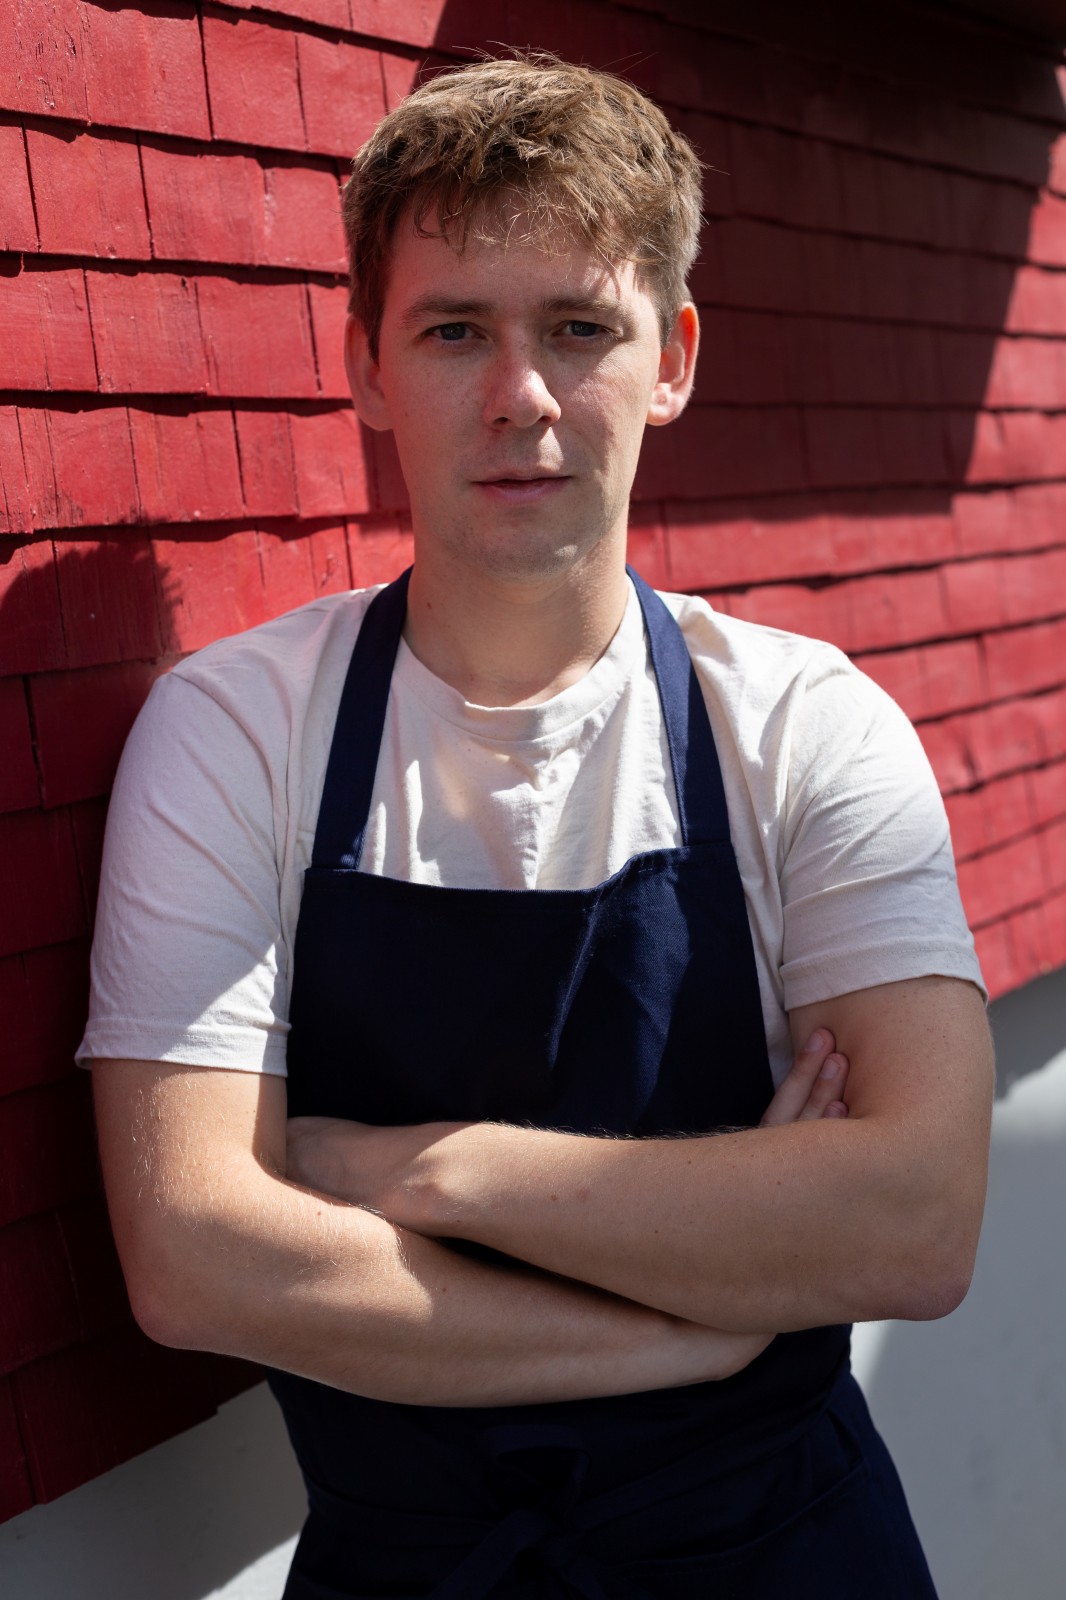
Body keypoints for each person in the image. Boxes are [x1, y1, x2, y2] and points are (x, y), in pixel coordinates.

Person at [84, 52, 993, 1599]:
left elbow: (914, 1217)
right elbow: (196, 1257)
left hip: (784, 1558)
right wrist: (695, 1329)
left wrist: (426, 1170)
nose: (520, 398)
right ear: (367, 362)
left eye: (579, 328)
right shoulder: (239, 730)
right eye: (454, 331)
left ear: (672, 356)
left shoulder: (797, 723)